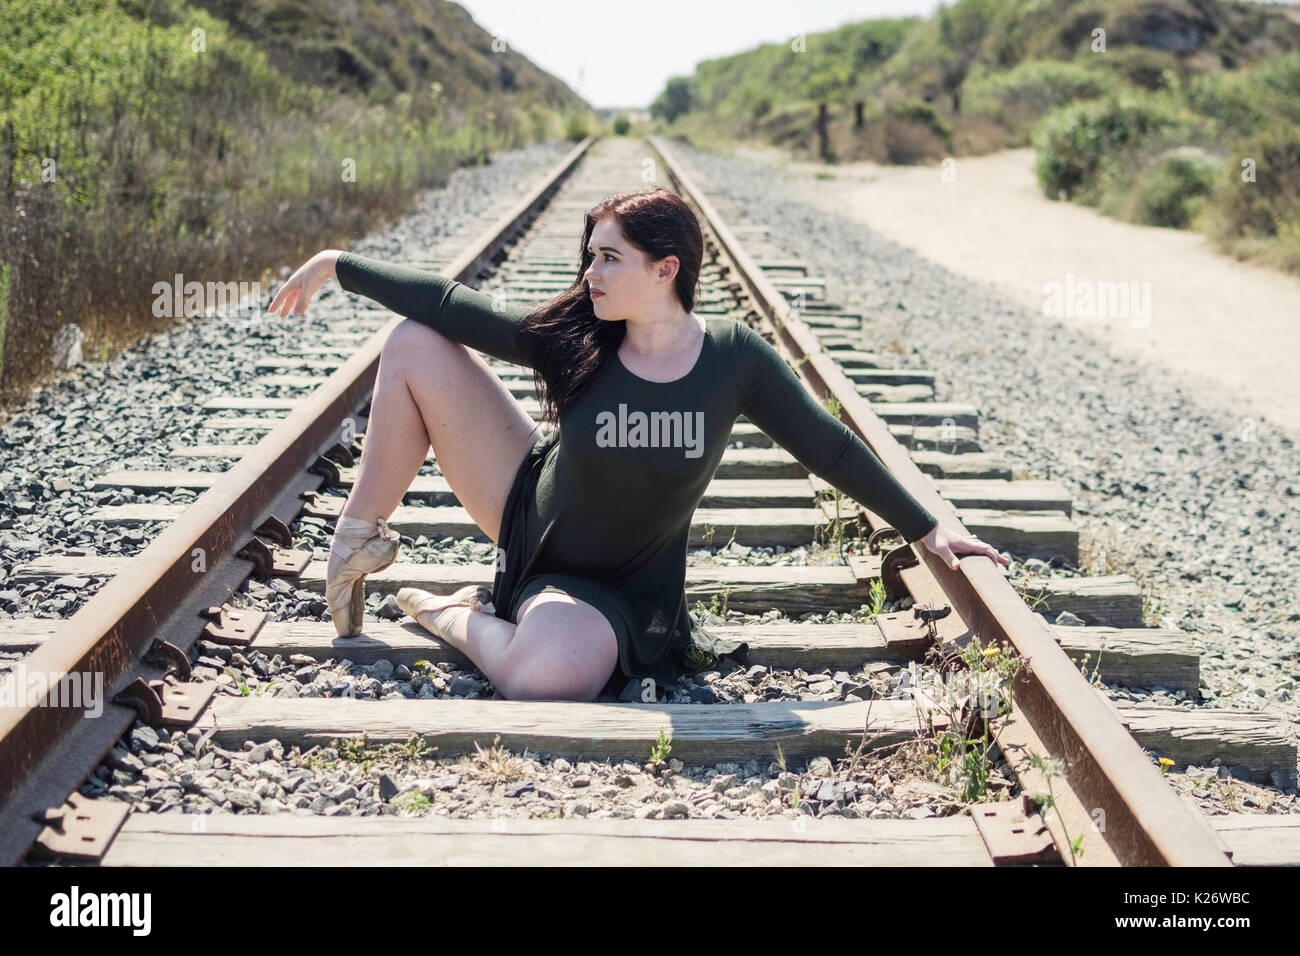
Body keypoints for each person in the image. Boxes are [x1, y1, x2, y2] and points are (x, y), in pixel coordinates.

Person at [266, 186, 1007, 702]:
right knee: (416, 341)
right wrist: (338, 264)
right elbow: (453, 307)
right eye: (590, 256)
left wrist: (930, 527)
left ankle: (448, 614)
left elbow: (829, 446)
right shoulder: (583, 339)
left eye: (609, 259)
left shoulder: (733, 359)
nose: (590, 274)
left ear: (666, 269)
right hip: (525, 509)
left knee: (545, 679)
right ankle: (358, 536)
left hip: (613, 591)